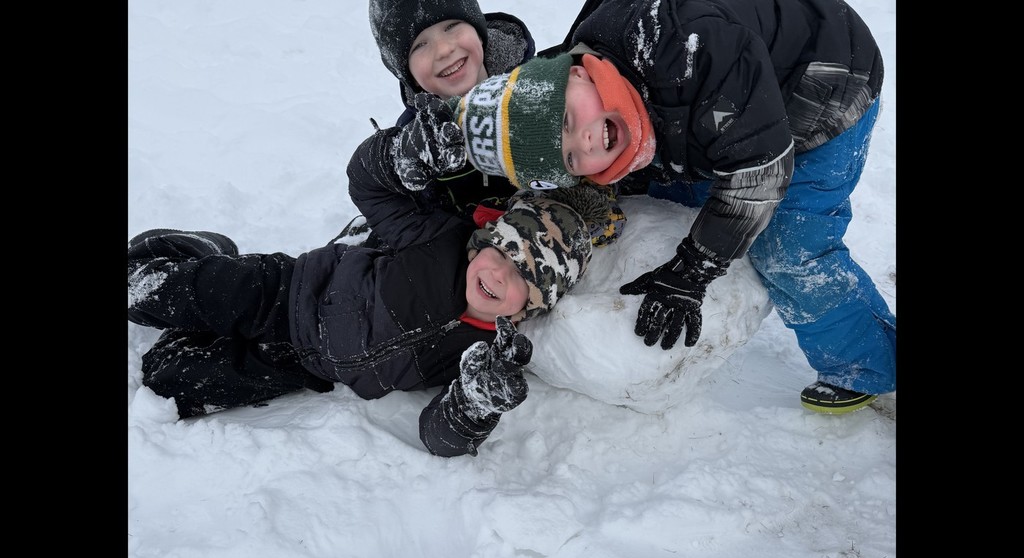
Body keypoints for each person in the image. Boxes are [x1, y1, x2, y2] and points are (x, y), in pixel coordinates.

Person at [451, 0, 897, 414]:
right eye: (570, 158)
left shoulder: (686, 48)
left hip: (823, 85)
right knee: (667, 196)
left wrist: (693, 270)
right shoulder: (592, 87)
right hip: (725, 109)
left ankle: (867, 364)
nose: (584, 140)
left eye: (567, 121)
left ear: (578, 73)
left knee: (787, 247)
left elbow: (758, 173)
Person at [127, 184, 613, 458]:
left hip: (305, 367)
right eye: (501, 255)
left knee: (167, 384)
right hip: (284, 292)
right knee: (154, 291)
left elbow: (438, 437)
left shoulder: (482, 358)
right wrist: (402, 154)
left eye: (522, 279)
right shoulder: (437, 240)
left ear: (529, 307)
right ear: (483, 242)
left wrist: (474, 404)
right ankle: (200, 252)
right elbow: (369, 182)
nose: (499, 276)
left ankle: (195, 329)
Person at [348, 0, 626, 251]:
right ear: (406, 72)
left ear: (477, 28)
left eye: (452, 25)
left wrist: (587, 195)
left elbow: (598, 136)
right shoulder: (420, 140)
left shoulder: (541, 88)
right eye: (419, 45)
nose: (444, 49)